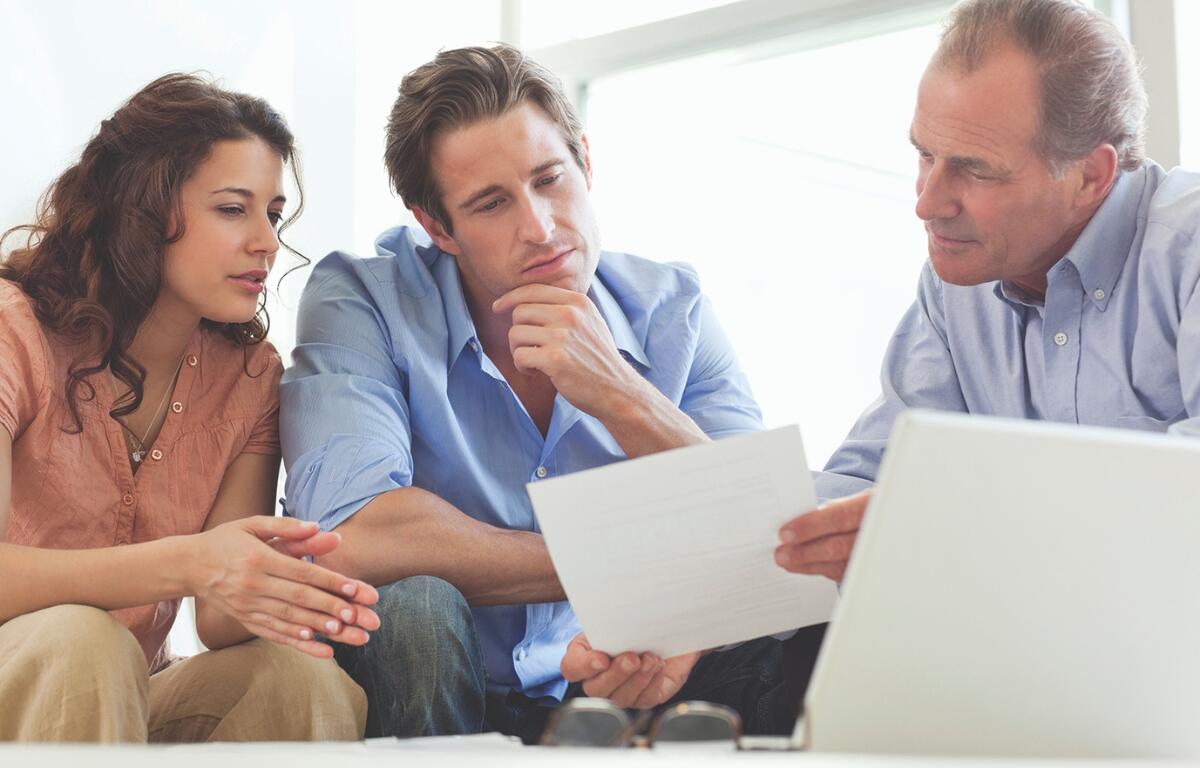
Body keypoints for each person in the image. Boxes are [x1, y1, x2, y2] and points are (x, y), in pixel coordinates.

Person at [280, 44, 825, 743]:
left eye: (549, 179)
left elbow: (767, 538)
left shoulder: (673, 308)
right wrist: (627, 568)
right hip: (444, 680)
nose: (539, 228)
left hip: (617, 677)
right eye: (491, 204)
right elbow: (350, 538)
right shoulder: (364, 300)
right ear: (437, 227)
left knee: (805, 636)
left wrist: (619, 392)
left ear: (585, 161)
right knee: (414, 609)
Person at [0, 73, 379, 742]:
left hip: (131, 691)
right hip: (31, 678)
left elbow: (219, 620)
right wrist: (191, 559)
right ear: (140, 211)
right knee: (86, 643)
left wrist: (293, 581)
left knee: (303, 680)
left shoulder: (249, 376)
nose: (267, 241)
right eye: (233, 209)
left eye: (273, 213)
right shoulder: (14, 331)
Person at [774, 0, 1200, 581]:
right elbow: (874, 482)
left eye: (976, 170)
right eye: (925, 154)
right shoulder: (958, 285)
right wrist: (781, 546)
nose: (927, 204)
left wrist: (961, 525)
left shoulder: (1187, 252)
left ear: (1090, 176)